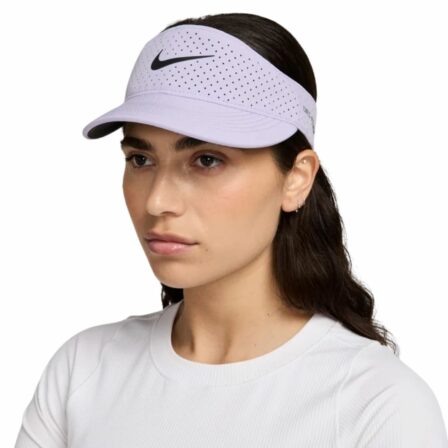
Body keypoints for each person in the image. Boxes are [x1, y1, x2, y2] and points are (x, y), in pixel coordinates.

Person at [14, 12, 448, 448]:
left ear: (297, 178)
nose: (157, 201)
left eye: (207, 160)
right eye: (140, 159)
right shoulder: (82, 372)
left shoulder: (377, 405)